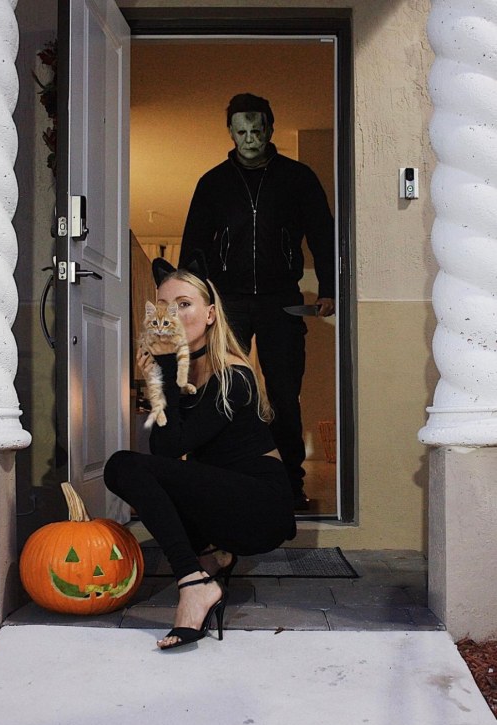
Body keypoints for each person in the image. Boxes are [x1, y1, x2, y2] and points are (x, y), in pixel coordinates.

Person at [104, 255, 296, 651]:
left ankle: (193, 583)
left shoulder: (233, 375)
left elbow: (171, 448)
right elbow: (164, 451)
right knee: (136, 473)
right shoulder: (186, 371)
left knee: (123, 465)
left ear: (210, 315)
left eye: (184, 304)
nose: (171, 315)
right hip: (224, 500)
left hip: (261, 505)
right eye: (164, 306)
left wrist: (163, 374)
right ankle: (212, 556)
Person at [179, 93, 335, 510]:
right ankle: (210, 478)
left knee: (284, 396)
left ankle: (291, 486)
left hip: (281, 301)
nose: (250, 139)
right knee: (217, 389)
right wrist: (190, 299)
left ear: (269, 129)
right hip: (227, 301)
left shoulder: (297, 178)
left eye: (257, 130)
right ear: (231, 133)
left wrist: (328, 288)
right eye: (241, 131)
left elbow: (323, 234)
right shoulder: (213, 183)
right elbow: (194, 244)